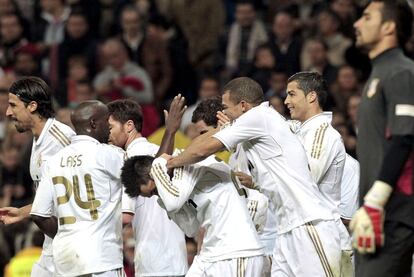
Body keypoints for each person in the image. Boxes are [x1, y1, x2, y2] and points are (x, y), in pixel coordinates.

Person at [167, 77, 342, 276]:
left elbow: (202, 150)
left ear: (243, 106)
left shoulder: (258, 117)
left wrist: (170, 162)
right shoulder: (259, 124)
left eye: (225, 107)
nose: (223, 113)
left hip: (310, 223)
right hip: (285, 231)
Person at [121, 154, 265, 276]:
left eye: (154, 190)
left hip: (236, 251)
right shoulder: (179, 186)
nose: (158, 195)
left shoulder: (187, 163)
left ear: (153, 174)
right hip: (213, 252)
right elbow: (191, 229)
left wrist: (158, 164)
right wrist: (164, 201)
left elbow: (173, 202)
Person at [350, 1, 414, 276]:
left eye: (366, 17)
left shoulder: (400, 71)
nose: (357, 23)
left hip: (393, 211)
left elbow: (405, 138)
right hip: (380, 211)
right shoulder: (379, 72)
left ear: (389, 27)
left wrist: (375, 202)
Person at [30, 100, 125, 277]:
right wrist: (170, 132)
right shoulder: (107, 154)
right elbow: (146, 172)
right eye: (106, 122)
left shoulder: (54, 160)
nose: (109, 127)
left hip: (66, 259)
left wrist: (65, 236)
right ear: (94, 123)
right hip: (101, 257)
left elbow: (38, 214)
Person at [0, 76, 75, 277]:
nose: (8, 113)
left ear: (32, 106)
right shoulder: (38, 140)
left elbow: (78, 190)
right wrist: (22, 212)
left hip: (71, 241)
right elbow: (52, 196)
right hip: (54, 240)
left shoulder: (62, 140)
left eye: (13, 106)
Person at [107, 97, 188, 277]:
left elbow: (125, 216)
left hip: (156, 262)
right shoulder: (159, 150)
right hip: (174, 257)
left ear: (129, 125)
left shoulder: (131, 158)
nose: (107, 134)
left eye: (110, 127)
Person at [191, 97, 272, 276]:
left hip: (266, 243)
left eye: (204, 133)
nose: (201, 140)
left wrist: (255, 184)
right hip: (236, 248)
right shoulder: (228, 157)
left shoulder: (252, 146)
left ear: (220, 125)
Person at [284, 71, 353, 275]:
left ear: (311, 96)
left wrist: (258, 183)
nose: (286, 101)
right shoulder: (299, 130)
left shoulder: (323, 134)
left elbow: (306, 181)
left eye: (292, 94)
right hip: (300, 235)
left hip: (323, 237)